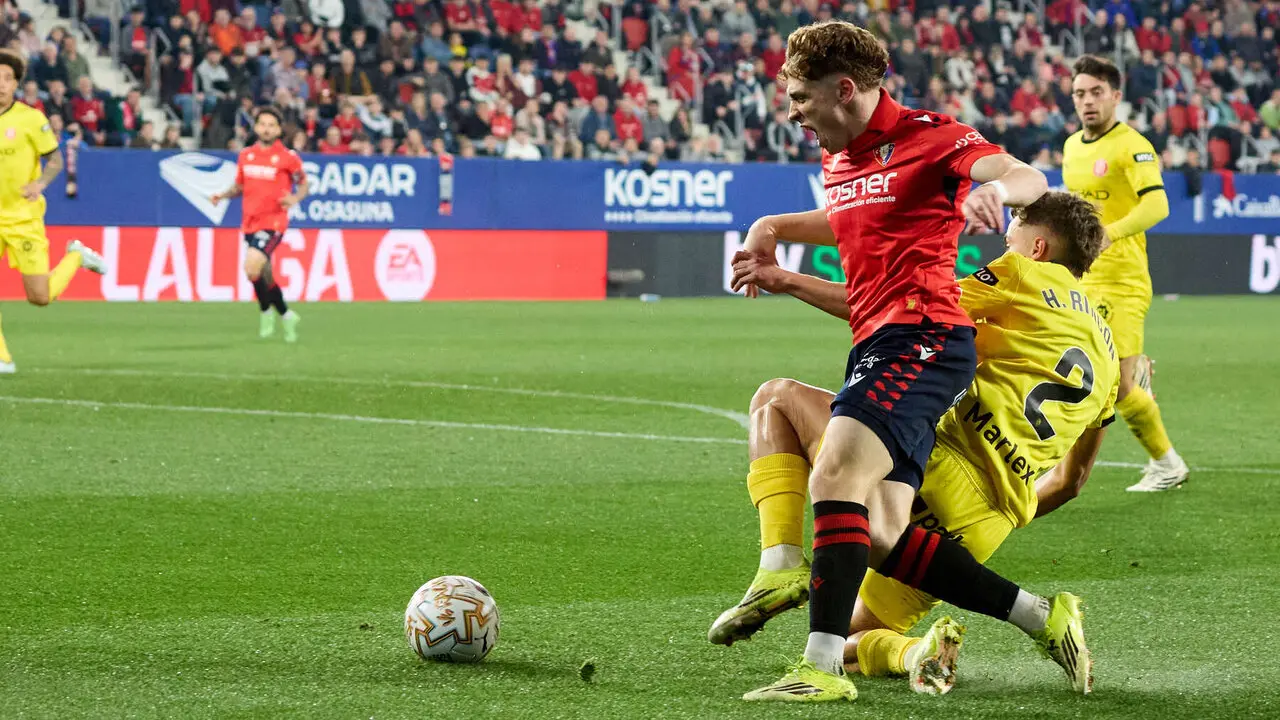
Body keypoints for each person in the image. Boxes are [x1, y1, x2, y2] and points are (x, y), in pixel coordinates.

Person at [728, 22, 1085, 703]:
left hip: (924, 338)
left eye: (801, 97)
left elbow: (1024, 175)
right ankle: (1042, 616)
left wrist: (997, 194)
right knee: (887, 532)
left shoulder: (932, 138)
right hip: (879, 340)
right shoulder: (840, 159)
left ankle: (821, 666)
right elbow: (847, 223)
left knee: (834, 469)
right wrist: (770, 235)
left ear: (846, 89)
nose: (793, 111)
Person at [718, 192, 1118, 696]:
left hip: (943, 465)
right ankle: (915, 652)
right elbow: (1071, 483)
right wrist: (994, 502)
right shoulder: (1108, 355)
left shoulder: (1022, 275)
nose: (1005, 239)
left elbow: (905, 312)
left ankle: (779, 565)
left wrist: (786, 280)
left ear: (1037, 247)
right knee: (855, 633)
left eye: (1013, 230)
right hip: (991, 522)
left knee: (777, 401)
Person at [1063, 55, 1187, 492]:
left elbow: (1158, 204)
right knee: (1074, 369)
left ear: (1116, 96)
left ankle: (1167, 464)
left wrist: (1108, 234)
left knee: (1113, 387)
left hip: (1123, 280)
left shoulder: (1132, 145)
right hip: (1081, 279)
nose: (1088, 101)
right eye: (1080, 93)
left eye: (1097, 92)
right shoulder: (1072, 147)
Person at [0, 50, 108, 374]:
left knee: (40, 296)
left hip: (23, 218)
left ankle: (75, 255)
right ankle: (2, 357)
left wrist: (39, 184)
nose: (1, 84)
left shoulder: (31, 119)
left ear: (16, 84)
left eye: (7, 79)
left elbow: (56, 161)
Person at [210, 107, 307, 343]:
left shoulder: (287, 157)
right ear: (255, 127)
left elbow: (303, 183)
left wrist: (294, 198)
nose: (266, 128)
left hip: (273, 222)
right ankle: (286, 314)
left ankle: (265, 312)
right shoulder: (246, 155)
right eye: (262, 124)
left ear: (278, 129)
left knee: (251, 267)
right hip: (250, 222)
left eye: (271, 125)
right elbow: (240, 186)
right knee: (264, 275)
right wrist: (222, 196)